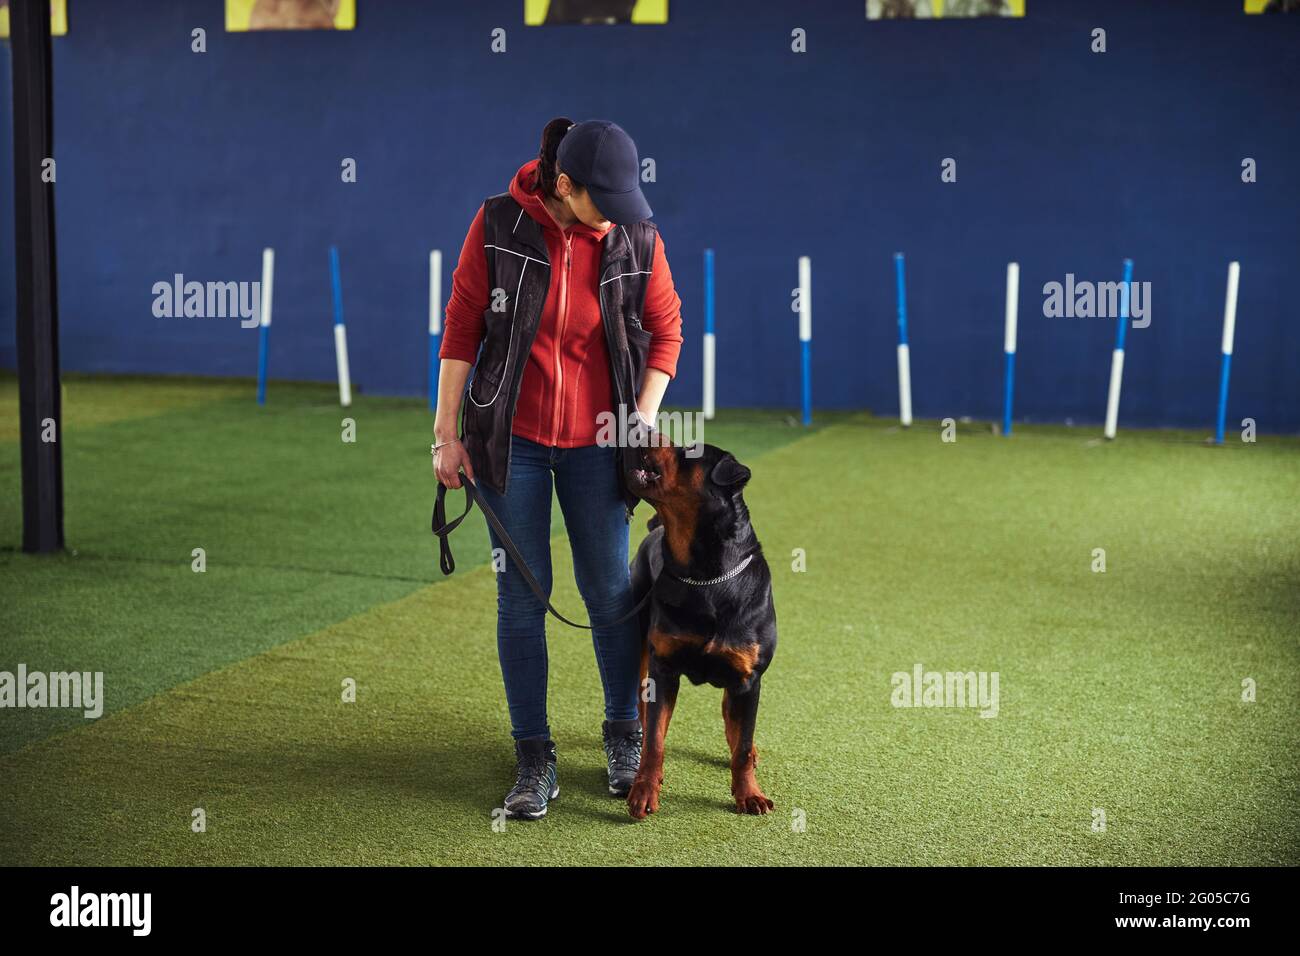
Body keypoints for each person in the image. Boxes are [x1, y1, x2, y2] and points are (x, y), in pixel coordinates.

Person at [432, 118, 683, 819]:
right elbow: (461, 328)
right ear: (563, 187)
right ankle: (533, 756)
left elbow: (667, 330)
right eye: (603, 200)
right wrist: (445, 431)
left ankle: (622, 735)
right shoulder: (496, 226)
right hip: (510, 445)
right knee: (522, 597)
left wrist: (641, 414)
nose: (617, 216)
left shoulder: (636, 236)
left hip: (599, 447)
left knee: (609, 592)